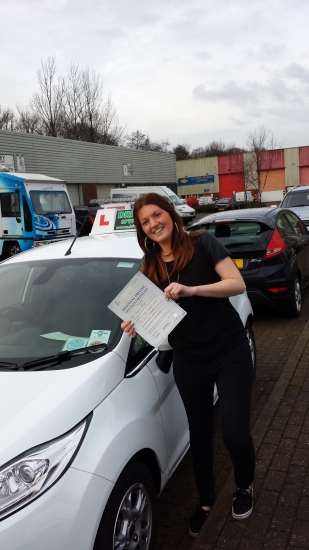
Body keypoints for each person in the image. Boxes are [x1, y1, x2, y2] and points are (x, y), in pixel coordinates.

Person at [121, 193, 255, 537]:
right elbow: (151, 318)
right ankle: (207, 501)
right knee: (199, 435)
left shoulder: (203, 242)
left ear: (169, 213)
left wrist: (192, 290)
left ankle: (244, 484)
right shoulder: (149, 266)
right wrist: (133, 324)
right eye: (145, 222)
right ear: (143, 230)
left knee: (235, 433)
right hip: (188, 359)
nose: (153, 224)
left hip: (229, 351)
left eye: (156, 215)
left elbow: (235, 283)